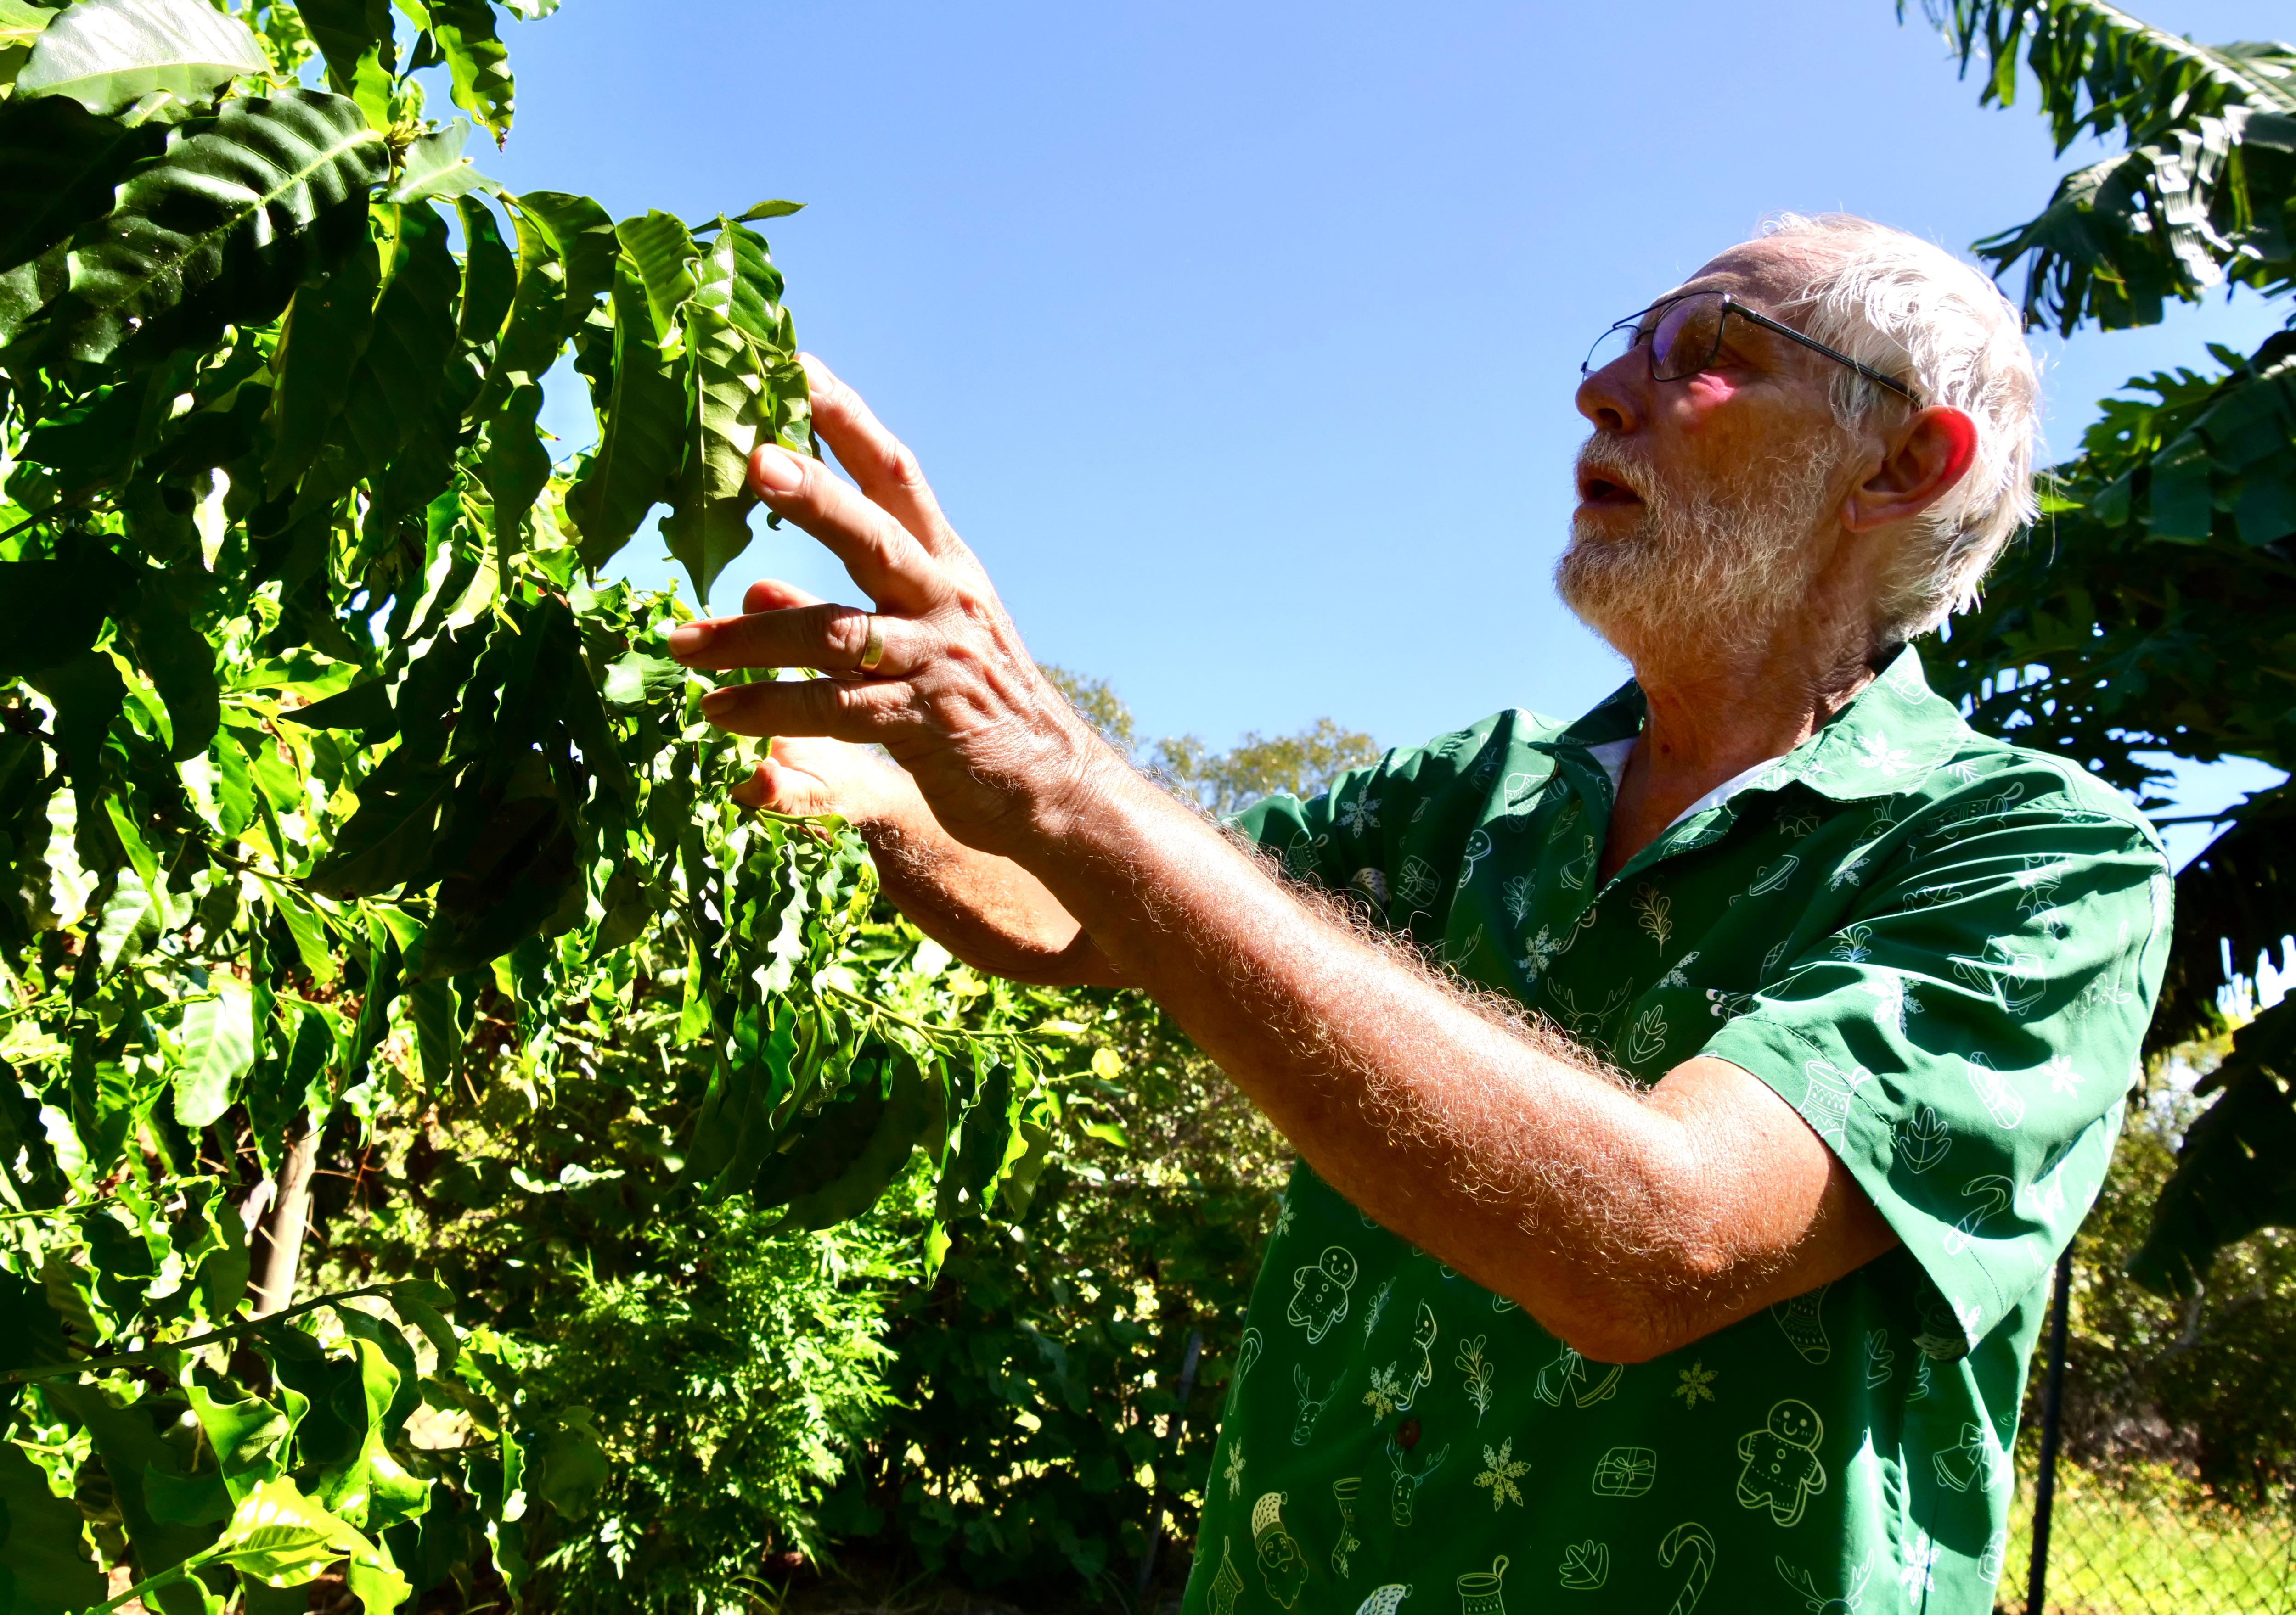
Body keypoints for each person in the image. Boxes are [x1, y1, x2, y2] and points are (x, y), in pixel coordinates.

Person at [666, 213, 2168, 1614]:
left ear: (1901, 466)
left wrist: (1059, 773)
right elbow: (1088, 919)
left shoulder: (2032, 860)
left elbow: (1663, 1243)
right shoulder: (1475, 795)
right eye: (1620, 348)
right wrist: (843, 769)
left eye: (1708, 353)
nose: (1603, 396)